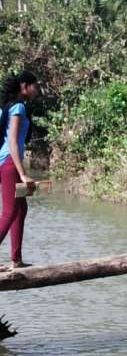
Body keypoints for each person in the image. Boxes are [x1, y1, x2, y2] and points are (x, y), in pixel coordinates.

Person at [0, 71, 40, 269]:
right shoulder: (18, 108)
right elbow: (13, 143)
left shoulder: (7, 107)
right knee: (9, 212)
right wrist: (23, 173)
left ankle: (16, 259)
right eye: (35, 86)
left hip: (6, 162)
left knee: (20, 209)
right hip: (9, 163)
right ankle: (16, 259)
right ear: (24, 86)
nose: (36, 90)